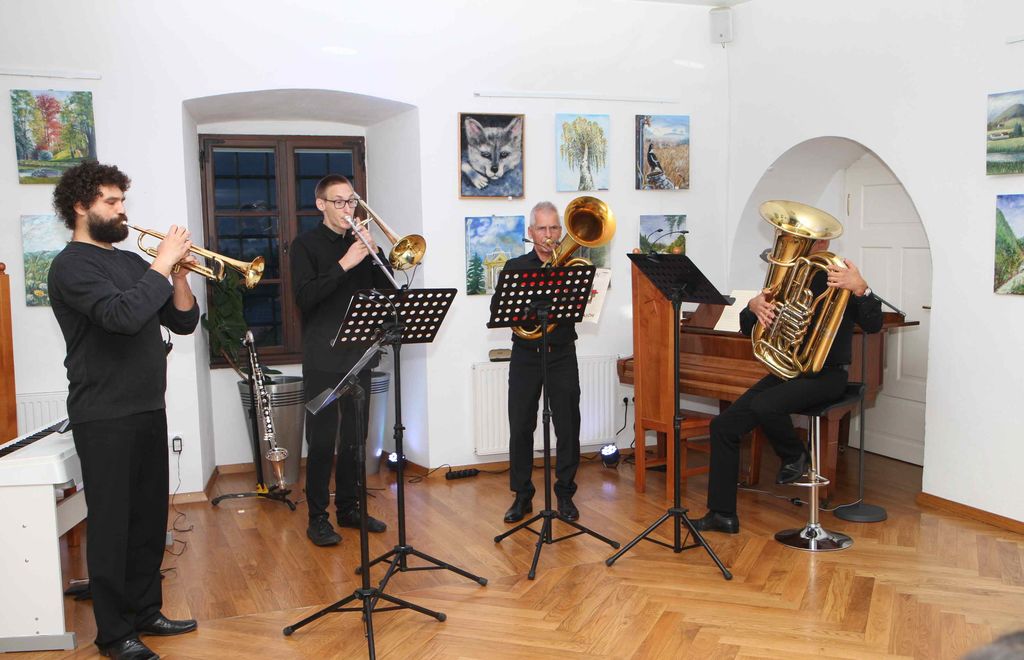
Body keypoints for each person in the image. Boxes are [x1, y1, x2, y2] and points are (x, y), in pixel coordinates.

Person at [48, 162, 199, 660]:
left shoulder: (134, 262)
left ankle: (145, 611)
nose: (121, 210)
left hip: (147, 406)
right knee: (112, 527)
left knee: (148, 522)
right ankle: (114, 635)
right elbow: (121, 316)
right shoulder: (71, 266)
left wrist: (179, 277)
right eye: (110, 202)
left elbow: (182, 322)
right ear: (80, 206)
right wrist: (162, 265)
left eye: (121, 200)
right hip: (103, 412)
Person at [692, 240, 883, 534]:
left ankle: (795, 456)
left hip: (826, 376)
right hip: (789, 370)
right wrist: (752, 308)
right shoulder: (786, 280)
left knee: (765, 405)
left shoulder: (840, 278)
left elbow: (873, 324)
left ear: (824, 241)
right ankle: (722, 514)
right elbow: (748, 328)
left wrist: (862, 289)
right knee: (723, 426)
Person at [290, 174, 394, 547]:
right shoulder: (305, 246)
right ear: (321, 204)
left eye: (352, 201)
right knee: (321, 442)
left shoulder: (360, 243)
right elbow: (305, 297)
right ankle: (317, 518)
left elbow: (389, 291)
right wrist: (346, 263)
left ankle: (349, 509)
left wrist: (376, 254)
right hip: (323, 357)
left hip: (359, 355)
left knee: (355, 439)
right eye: (339, 202)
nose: (348, 208)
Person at [494, 201, 583, 524]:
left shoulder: (574, 268)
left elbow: (582, 308)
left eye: (554, 228)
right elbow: (499, 309)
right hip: (525, 355)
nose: (549, 234)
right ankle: (522, 495)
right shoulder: (516, 267)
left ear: (561, 231)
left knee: (568, 424)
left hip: (562, 353)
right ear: (531, 232)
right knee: (520, 425)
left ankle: (565, 494)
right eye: (542, 228)